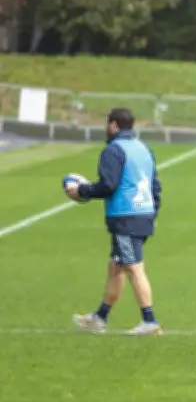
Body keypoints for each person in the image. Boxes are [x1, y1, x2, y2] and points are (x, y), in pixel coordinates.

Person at [66, 108, 163, 336]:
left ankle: (149, 321)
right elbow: (155, 186)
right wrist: (152, 213)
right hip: (143, 214)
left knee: (133, 267)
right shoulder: (144, 148)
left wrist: (81, 190)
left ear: (114, 125)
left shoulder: (113, 150)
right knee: (116, 267)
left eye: (107, 123)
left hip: (126, 218)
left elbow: (108, 185)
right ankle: (100, 317)